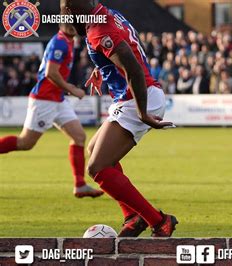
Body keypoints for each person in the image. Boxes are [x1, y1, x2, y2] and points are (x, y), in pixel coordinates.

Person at [61, 0, 178, 237]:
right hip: (132, 95)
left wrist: (143, 113)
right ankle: (132, 216)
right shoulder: (106, 14)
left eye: (64, 13)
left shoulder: (97, 31)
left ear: (72, 12)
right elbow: (127, 45)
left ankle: (159, 221)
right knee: (94, 150)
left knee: (97, 167)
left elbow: (132, 67)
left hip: (138, 97)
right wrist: (103, 68)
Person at [0, 24, 103, 199]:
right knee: (25, 143)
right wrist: (71, 88)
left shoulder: (68, 41)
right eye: (69, 23)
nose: (73, 26)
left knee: (79, 136)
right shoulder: (60, 42)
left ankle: (79, 185)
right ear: (61, 23)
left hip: (58, 99)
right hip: (44, 100)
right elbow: (50, 73)